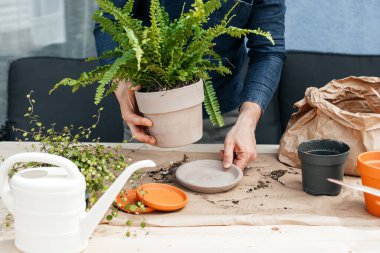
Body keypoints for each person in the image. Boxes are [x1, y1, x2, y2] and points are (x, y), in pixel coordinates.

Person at [94, 0, 285, 170]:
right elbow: (110, 21)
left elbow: (268, 50)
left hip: (221, 121)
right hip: (148, 117)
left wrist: (248, 120)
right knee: (142, 194)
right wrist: (122, 88)